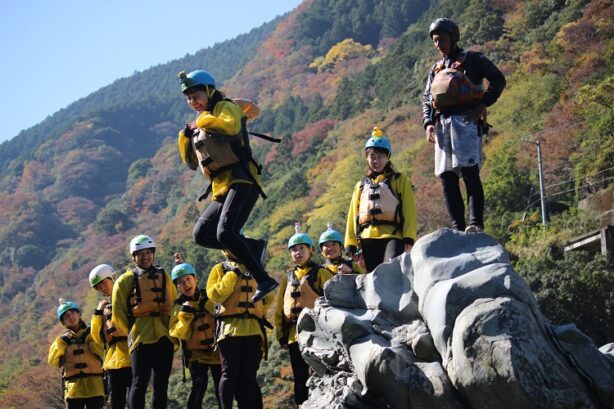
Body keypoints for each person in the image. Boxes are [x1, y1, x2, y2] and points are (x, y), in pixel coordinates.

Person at [176, 69, 278, 303]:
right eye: (189, 98)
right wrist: (185, 137)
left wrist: (202, 120)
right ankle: (253, 246)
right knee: (202, 234)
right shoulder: (202, 122)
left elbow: (231, 129)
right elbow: (191, 162)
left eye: (196, 95)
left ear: (209, 90)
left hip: (242, 179)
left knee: (226, 232)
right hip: (220, 187)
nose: (193, 101)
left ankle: (264, 279)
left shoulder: (225, 107)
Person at [422, 18, 506, 233]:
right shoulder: (436, 69)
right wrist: (428, 123)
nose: (438, 44)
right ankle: (458, 227)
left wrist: (483, 105)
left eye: (441, 39)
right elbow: (426, 98)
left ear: (453, 37)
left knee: (469, 173)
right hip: (443, 125)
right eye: (434, 41)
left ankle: (475, 223)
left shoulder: (474, 60)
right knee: (447, 177)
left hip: (466, 122)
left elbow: (498, 80)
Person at [111, 234, 177, 409]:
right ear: (134, 257)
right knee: (139, 381)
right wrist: (131, 332)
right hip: (141, 336)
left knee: (161, 384)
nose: (146, 256)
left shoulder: (164, 276)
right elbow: (118, 314)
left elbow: (174, 303)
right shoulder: (125, 280)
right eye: (141, 253)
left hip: (164, 335)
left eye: (149, 252)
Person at [206, 250, 275, 409]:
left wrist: (257, 310)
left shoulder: (255, 268)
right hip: (230, 330)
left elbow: (269, 297)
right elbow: (215, 295)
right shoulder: (220, 269)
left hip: (253, 330)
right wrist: (232, 274)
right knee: (229, 374)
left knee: (249, 376)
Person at [275, 227, 334, 406]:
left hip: (318, 333)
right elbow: (280, 307)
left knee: (322, 373)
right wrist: (281, 334)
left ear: (311, 250)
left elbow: (332, 301)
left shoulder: (321, 272)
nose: (298, 252)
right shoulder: (288, 277)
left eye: (302, 248)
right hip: (295, 335)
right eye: (294, 249)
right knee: (300, 379)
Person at [344, 127, 417, 272]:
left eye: (380, 156)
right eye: (372, 157)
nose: (376, 161)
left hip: (393, 235)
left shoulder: (399, 180)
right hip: (367, 237)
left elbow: (409, 210)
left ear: (387, 157)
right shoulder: (360, 186)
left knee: (391, 272)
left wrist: (409, 237)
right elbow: (353, 215)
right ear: (367, 158)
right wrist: (350, 243)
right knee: (374, 277)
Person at [169, 255, 222, 409]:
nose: (185, 284)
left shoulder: (209, 296)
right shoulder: (178, 307)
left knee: (222, 387)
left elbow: (222, 316)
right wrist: (185, 314)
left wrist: (208, 304)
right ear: (176, 287)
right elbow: (178, 333)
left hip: (217, 351)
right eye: (180, 282)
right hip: (196, 355)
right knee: (199, 385)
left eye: (188, 279)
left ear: (195, 279)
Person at [48, 299, 105, 409]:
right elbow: (53, 361)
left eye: (72, 313)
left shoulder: (92, 333)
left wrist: (90, 341)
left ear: (79, 314)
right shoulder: (62, 340)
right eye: (66, 316)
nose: (70, 317)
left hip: (95, 386)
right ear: (63, 322)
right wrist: (61, 344)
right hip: (73, 389)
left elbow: (101, 351)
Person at [88, 264, 132, 409]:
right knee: (116, 402)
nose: (102, 289)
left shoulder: (128, 297)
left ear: (112, 278)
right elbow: (97, 338)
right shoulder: (104, 308)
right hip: (113, 360)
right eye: (98, 287)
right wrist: (97, 313)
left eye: (103, 284)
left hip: (132, 356)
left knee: (134, 399)